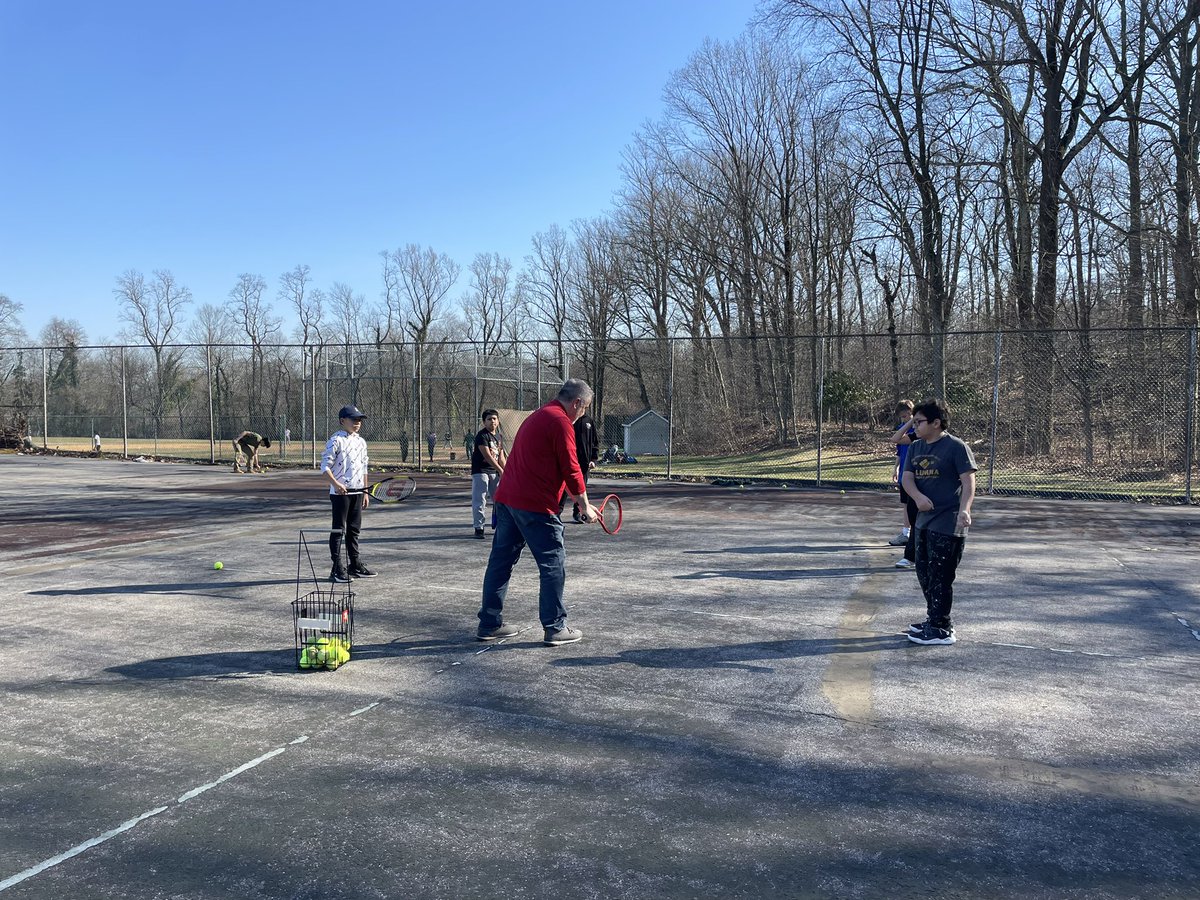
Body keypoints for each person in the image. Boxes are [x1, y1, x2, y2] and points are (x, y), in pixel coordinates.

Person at [476, 379, 598, 646]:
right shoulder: (560, 422)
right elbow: (571, 467)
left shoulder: (538, 416)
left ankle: (488, 624)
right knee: (553, 562)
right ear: (577, 403)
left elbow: (551, 466)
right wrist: (584, 505)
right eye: (584, 408)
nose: (583, 414)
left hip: (508, 500)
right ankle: (555, 627)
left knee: (500, 563)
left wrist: (582, 502)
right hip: (534, 506)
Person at [900, 398, 977, 646]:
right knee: (924, 572)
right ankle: (935, 618)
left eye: (919, 422)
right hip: (923, 522)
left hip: (948, 522)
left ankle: (942, 629)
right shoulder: (916, 447)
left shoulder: (956, 447)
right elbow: (907, 479)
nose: (915, 427)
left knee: (941, 575)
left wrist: (965, 509)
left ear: (936, 423)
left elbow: (968, 482)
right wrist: (918, 497)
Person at [321, 405, 377, 583]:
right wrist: (336, 484)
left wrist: (366, 492)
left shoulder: (361, 442)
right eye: (354, 419)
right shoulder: (335, 440)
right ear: (342, 420)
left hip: (358, 492)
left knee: (354, 530)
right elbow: (325, 468)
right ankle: (337, 569)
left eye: (359, 420)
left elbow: (364, 468)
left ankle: (354, 564)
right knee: (338, 530)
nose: (357, 422)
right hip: (340, 494)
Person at [888, 400, 918, 568]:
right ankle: (906, 534)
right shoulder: (906, 430)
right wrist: (896, 469)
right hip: (904, 475)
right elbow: (898, 447)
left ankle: (914, 537)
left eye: (907, 416)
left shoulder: (919, 431)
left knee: (915, 507)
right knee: (905, 505)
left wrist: (912, 422)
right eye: (901, 417)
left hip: (915, 475)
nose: (904, 419)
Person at [471, 409, 505, 538]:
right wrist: (500, 470)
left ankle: (501, 525)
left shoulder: (499, 436)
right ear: (484, 422)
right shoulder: (482, 436)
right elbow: (488, 456)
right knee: (480, 499)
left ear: (498, 421)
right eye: (489, 419)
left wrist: (506, 471)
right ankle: (479, 528)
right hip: (481, 471)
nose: (492, 421)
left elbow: (501, 458)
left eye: (494, 419)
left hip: (493, 471)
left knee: (499, 499)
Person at [560, 410, 598, 522]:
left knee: (581, 489)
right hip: (570, 462)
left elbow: (595, 442)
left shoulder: (589, 421)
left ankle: (579, 513)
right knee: (564, 488)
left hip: (585, 463)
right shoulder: (569, 421)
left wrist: (593, 459)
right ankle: (557, 512)